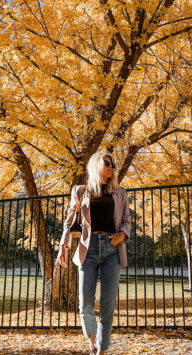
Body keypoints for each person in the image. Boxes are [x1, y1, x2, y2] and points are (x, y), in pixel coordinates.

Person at [57, 150, 131, 354]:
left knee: (107, 305)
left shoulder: (120, 192)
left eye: (113, 164)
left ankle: (101, 350)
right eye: (107, 162)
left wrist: (122, 236)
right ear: (96, 164)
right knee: (85, 305)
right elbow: (70, 220)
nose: (111, 166)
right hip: (86, 250)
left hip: (111, 250)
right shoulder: (80, 191)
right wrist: (64, 245)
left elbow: (126, 221)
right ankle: (92, 341)